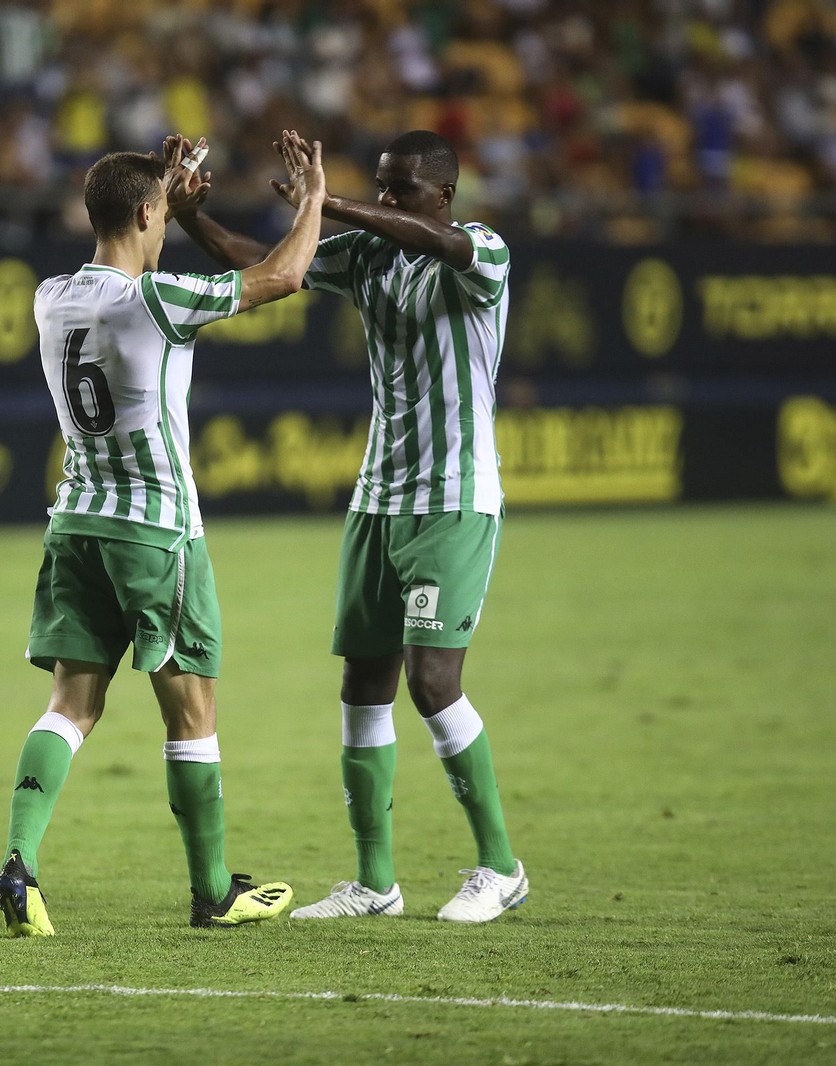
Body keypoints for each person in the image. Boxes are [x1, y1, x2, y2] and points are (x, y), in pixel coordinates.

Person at [169, 130, 526, 923]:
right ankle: (376, 883)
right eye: (382, 186)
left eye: (401, 189)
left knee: (433, 683)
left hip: (453, 500)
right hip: (378, 499)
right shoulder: (367, 257)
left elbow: (439, 244)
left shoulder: (483, 252)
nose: (390, 200)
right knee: (364, 687)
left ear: (444, 195)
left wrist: (329, 200)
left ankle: (501, 866)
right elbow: (262, 259)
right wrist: (193, 216)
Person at [0, 131, 328, 934]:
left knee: (70, 705)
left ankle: (20, 863)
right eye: (160, 214)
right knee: (192, 712)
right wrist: (315, 195)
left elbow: (124, 244)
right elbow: (284, 273)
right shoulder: (157, 301)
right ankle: (213, 891)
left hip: (76, 524)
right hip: (157, 534)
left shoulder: (50, 297)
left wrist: (162, 193)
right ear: (149, 212)